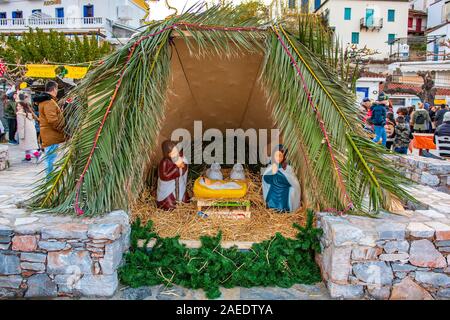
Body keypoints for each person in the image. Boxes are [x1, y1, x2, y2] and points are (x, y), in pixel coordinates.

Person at [37, 81, 66, 176]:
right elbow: (53, 120)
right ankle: (49, 180)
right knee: (50, 160)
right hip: (51, 135)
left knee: (50, 159)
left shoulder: (46, 101)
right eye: (57, 89)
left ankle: (49, 179)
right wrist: (63, 129)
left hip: (49, 134)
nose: (57, 91)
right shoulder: (49, 102)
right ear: (54, 89)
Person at [262, 144, 301, 213]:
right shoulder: (271, 167)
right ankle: (271, 209)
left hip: (283, 194)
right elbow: (266, 179)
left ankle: (282, 211)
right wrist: (272, 173)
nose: (278, 158)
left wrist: (279, 174)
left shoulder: (288, 168)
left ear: (284, 157)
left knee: (282, 208)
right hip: (272, 193)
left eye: (280, 156)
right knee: (271, 207)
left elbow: (293, 182)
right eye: (276, 155)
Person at [156, 140, 190, 210]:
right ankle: (167, 202)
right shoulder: (164, 162)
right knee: (169, 206)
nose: (176, 154)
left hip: (180, 185)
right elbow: (164, 176)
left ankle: (181, 199)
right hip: (168, 188)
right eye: (173, 153)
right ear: (167, 154)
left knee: (185, 201)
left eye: (177, 151)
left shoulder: (180, 157)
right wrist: (176, 168)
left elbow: (184, 168)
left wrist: (182, 165)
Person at [15, 92, 40, 162]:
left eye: (18, 106)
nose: (17, 107)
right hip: (31, 130)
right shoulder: (27, 112)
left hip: (25, 132)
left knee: (28, 146)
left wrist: (21, 135)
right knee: (27, 145)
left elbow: (21, 125)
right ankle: (28, 157)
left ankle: (38, 154)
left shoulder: (20, 114)